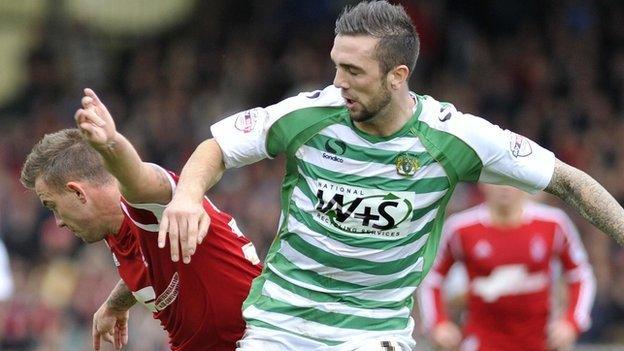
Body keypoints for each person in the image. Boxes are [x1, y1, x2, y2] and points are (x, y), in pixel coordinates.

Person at [158, 1, 624, 350]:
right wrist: (187, 196)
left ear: (397, 75)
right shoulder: (308, 113)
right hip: (280, 325)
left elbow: (571, 181)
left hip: (374, 330)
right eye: (336, 64)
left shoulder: (455, 138)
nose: (338, 82)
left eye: (354, 71)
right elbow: (217, 148)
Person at [19, 89, 262, 351]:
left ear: (78, 192)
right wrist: (116, 303)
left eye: (53, 206)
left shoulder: (144, 205)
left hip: (268, 340)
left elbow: (137, 176)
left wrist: (112, 144)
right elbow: (151, 264)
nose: (58, 222)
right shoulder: (113, 229)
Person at [418, 184, 596, 351]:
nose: (505, 187)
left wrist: (572, 322)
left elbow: (581, 275)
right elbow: (431, 277)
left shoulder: (554, 223)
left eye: (511, 179)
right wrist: (437, 323)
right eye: (497, 178)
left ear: (525, 181)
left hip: (540, 342)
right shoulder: (460, 228)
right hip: (481, 342)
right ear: (483, 182)